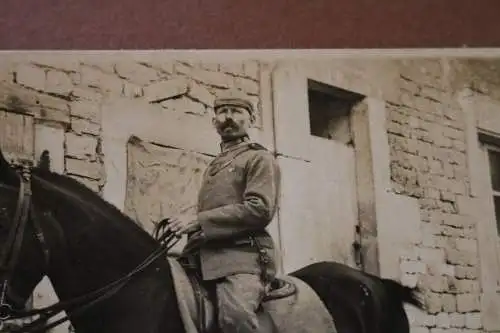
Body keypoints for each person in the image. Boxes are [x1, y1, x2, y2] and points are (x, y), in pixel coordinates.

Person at [166, 89, 281, 333]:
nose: (228, 117)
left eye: (236, 111)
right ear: (214, 121)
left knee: (235, 317)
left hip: (241, 257)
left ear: (251, 120)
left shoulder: (259, 158)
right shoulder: (216, 164)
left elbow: (259, 209)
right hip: (201, 255)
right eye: (222, 112)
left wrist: (198, 221)